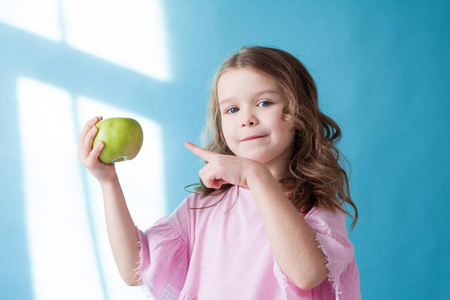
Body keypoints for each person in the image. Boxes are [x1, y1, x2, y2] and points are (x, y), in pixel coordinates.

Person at [77, 46, 360, 300]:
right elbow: (134, 270)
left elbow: (307, 274)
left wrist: (256, 176)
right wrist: (108, 182)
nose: (247, 119)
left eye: (264, 103)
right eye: (232, 109)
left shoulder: (315, 205)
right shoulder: (203, 207)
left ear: (298, 113)